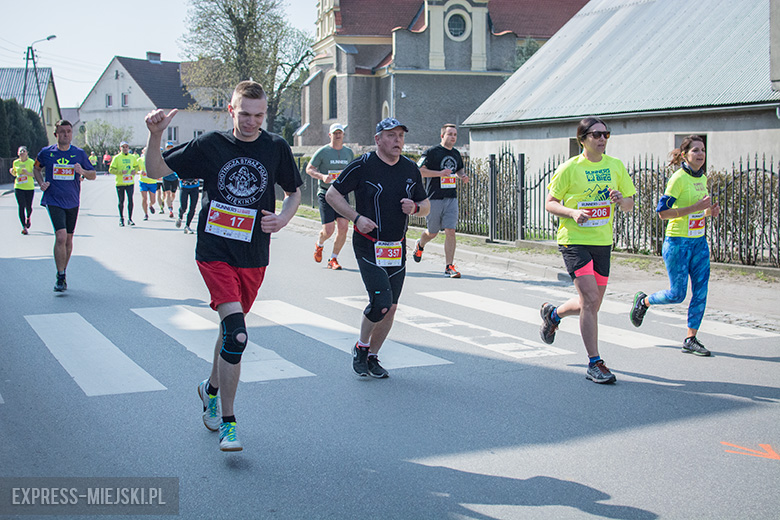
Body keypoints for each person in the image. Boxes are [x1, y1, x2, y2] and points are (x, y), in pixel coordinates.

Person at [144, 80, 302, 452]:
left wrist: (283, 219)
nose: (251, 122)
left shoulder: (275, 147)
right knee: (238, 334)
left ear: (266, 113)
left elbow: (294, 192)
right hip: (214, 250)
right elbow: (154, 171)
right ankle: (229, 422)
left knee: (230, 332)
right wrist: (155, 136)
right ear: (231, 110)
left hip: (253, 254)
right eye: (244, 114)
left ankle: (210, 390)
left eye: (258, 115)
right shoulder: (210, 145)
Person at [326, 118, 429, 378]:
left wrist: (416, 208)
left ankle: (373, 356)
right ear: (378, 139)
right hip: (368, 245)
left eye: (401, 136)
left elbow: (426, 205)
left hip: (396, 247)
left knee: (391, 307)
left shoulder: (409, 169)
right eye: (391, 136)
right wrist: (356, 218)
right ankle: (361, 347)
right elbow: (332, 195)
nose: (397, 141)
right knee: (380, 302)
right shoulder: (363, 165)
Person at [540, 117, 635, 384]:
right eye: (596, 135)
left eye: (606, 134)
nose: (602, 139)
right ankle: (595, 363)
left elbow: (629, 204)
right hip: (574, 240)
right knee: (591, 300)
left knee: (590, 304)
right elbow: (550, 203)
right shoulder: (569, 168)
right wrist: (572, 212)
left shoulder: (615, 166)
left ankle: (553, 313)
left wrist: (621, 199)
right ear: (583, 139)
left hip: (602, 242)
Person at [629, 136, 720, 356]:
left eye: (703, 150)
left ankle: (691, 338)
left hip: (699, 242)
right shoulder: (678, 179)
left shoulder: (702, 178)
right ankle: (645, 301)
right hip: (678, 243)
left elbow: (697, 211)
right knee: (677, 294)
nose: (700, 154)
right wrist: (695, 207)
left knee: (701, 291)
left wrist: (708, 212)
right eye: (695, 150)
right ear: (685, 155)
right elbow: (662, 212)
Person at [33, 120, 97, 292]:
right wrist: (40, 183)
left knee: (68, 239)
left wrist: (82, 172)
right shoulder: (47, 153)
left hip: (72, 201)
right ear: (56, 135)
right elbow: (36, 168)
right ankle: (60, 275)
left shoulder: (79, 153)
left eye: (68, 131)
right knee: (60, 236)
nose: (66, 135)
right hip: (53, 199)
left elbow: (93, 175)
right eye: (62, 132)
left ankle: (63, 271)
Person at [412, 124, 468, 278]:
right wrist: (439, 173)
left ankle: (449, 266)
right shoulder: (431, 152)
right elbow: (419, 171)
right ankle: (420, 244)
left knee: (450, 230)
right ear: (442, 136)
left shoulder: (456, 154)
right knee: (432, 232)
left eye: (455, 134)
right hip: (434, 197)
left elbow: (459, 169)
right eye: (450, 134)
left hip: (451, 197)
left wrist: (462, 176)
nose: (453, 137)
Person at [306, 123, 355, 270]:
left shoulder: (348, 152)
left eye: (340, 133)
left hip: (341, 195)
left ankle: (333, 259)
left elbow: (352, 170)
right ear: (330, 135)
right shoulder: (322, 152)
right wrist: (322, 176)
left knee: (344, 227)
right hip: (326, 194)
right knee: (328, 230)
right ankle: (319, 244)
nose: (338, 135)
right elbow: (309, 169)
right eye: (335, 133)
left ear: (343, 135)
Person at [109, 141, 137, 226]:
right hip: (120, 183)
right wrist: (121, 172)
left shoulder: (132, 157)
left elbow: (136, 166)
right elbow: (111, 170)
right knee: (121, 201)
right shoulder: (116, 158)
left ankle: (130, 219)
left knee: (130, 200)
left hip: (130, 182)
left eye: (126, 147)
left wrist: (134, 171)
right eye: (123, 147)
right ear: (120, 148)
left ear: (128, 148)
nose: (125, 149)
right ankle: (121, 219)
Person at [10, 146, 36, 235]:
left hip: (29, 187)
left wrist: (27, 173)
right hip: (18, 187)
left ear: (27, 153)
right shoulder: (15, 162)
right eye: (20, 151)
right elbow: (15, 173)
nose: (22, 152)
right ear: (18, 153)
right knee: (21, 206)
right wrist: (12, 172)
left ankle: (28, 217)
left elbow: (35, 174)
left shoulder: (31, 162)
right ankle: (24, 227)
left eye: (23, 151)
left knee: (28, 206)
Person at [136, 147, 159, 220]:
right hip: (143, 182)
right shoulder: (139, 160)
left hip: (152, 182)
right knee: (144, 198)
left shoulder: (154, 160)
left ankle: (150, 205)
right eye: (145, 151)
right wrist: (139, 172)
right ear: (143, 152)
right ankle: (145, 214)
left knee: (153, 200)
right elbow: (135, 170)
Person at [161, 142, 178, 218]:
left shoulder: (176, 155)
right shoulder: (163, 157)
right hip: (166, 178)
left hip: (174, 178)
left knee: (173, 194)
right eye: (168, 147)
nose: (170, 148)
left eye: (171, 147)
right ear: (166, 148)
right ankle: (170, 209)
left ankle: (170, 202)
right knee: (168, 193)